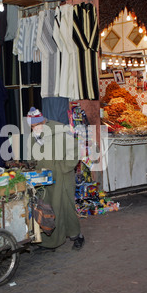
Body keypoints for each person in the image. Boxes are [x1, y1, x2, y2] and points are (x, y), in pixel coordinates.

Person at [26, 107, 85, 250]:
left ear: (43, 121)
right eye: (32, 126)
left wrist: (63, 167)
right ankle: (50, 241)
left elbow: (76, 150)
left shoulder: (59, 133)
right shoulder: (34, 136)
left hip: (62, 177)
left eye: (37, 125)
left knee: (66, 207)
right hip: (44, 178)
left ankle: (77, 235)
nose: (35, 128)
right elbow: (32, 155)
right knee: (48, 208)